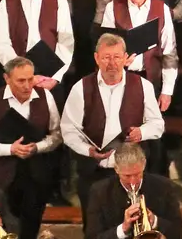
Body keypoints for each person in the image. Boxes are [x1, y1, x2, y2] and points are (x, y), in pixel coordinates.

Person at [0, 57, 63, 239]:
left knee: (31, 222)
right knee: (4, 222)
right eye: (21, 81)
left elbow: (57, 135)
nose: (27, 85)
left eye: (30, 79)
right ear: (6, 78)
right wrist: (10, 149)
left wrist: (37, 147)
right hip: (3, 175)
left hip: (36, 173)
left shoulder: (45, 97)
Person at [61, 33, 164, 195]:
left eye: (116, 57)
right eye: (106, 57)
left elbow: (157, 125)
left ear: (125, 58)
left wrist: (141, 133)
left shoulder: (143, 86)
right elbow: (68, 130)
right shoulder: (80, 87)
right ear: (96, 58)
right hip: (93, 172)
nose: (112, 63)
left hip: (131, 173)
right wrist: (87, 150)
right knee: (93, 220)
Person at [101, 0, 177, 113]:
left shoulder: (162, 8)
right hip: (120, 77)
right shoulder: (113, 7)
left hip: (150, 78)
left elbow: (170, 52)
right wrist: (120, 61)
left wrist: (167, 91)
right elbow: (104, 47)